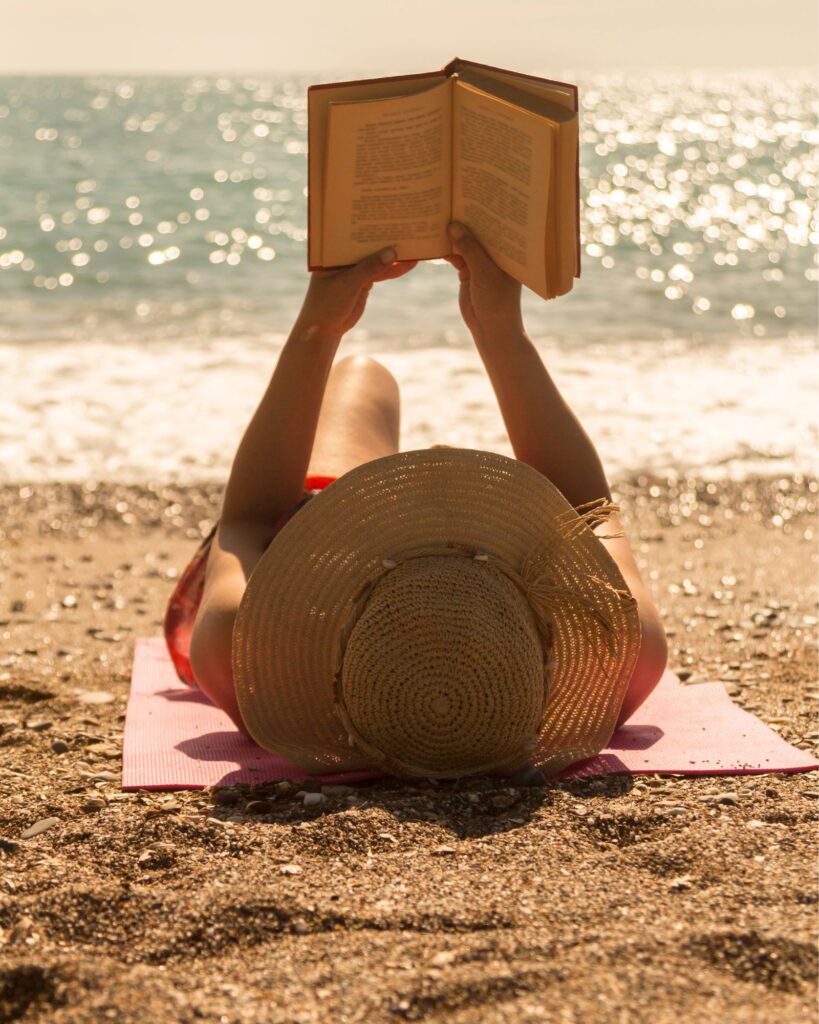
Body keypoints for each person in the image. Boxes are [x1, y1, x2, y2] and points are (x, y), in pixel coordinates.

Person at [164, 222, 668, 779]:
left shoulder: (249, 650)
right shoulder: (618, 658)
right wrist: (499, 328)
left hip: (296, 550)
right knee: (364, 382)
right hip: (326, 589)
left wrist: (320, 321)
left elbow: (247, 520)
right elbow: (588, 508)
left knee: (363, 374)